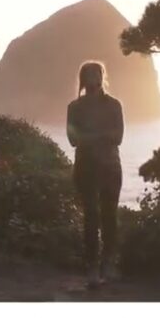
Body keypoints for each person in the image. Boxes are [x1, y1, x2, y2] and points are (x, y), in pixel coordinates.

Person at [66, 61, 124, 288]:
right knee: (91, 217)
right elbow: (72, 140)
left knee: (109, 217)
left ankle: (108, 265)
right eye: (88, 73)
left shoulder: (114, 105)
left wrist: (88, 136)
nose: (93, 77)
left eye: (96, 73)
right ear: (82, 79)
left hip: (110, 167)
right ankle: (92, 268)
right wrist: (101, 135)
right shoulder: (74, 107)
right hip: (85, 168)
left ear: (102, 76)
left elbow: (118, 137)